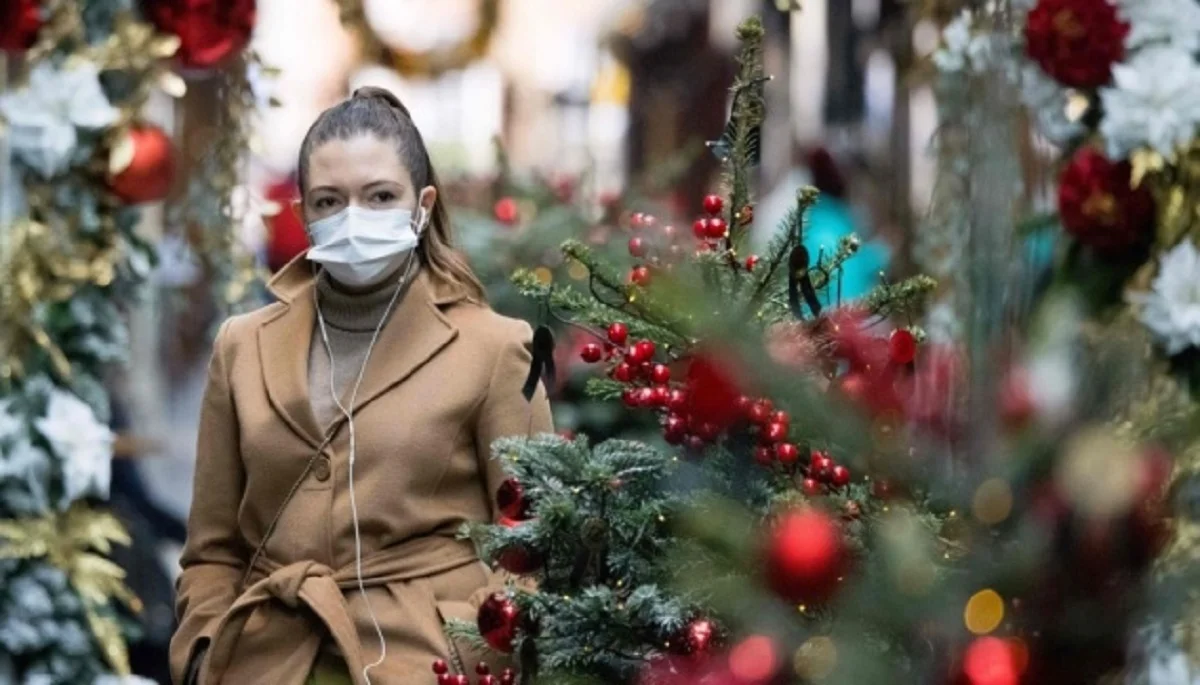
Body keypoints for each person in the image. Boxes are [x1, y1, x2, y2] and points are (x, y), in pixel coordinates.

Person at [169, 86, 553, 685]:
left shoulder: (497, 347)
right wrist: (204, 650)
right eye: (330, 200)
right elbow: (212, 549)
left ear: (422, 205)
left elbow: (531, 549)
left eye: (380, 196)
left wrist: (473, 658)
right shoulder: (241, 345)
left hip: (417, 661)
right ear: (303, 215)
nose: (354, 217)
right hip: (265, 661)